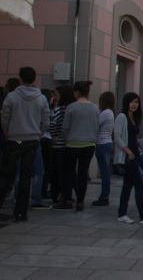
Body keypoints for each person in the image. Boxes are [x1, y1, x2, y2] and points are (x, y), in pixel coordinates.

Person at [0, 67, 50, 222]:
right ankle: (21, 212)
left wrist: (7, 132)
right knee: (26, 177)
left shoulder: (12, 96)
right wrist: (38, 133)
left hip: (14, 139)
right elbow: (46, 121)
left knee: (7, 176)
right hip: (32, 140)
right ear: (34, 79)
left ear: (20, 79)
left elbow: (5, 117)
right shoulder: (41, 98)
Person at [114, 92, 143, 224]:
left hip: (135, 155)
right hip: (128, 156)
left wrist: (137, 148)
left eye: (136, 102)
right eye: (132, 102)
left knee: (127, 185)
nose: (134, 105)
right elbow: (117, 137)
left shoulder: (133, 117)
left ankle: (122, 213)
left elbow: (132, 137)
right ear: (126, 102)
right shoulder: (122, 116)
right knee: (139, 183)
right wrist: (128, 151)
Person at [57, 81, 98, 212]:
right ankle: (80, 201)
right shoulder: (94, 108)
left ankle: (68, 199)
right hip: (89, 144)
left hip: (72, 144)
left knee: (69, 172)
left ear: (77, 92)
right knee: (82, 173)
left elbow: (65, 128)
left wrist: (64, 138)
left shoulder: (71, 107)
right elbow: (97, 126)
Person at [48, 85, 74, 205]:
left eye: (56, 94)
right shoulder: (66, 108)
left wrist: (53, 135)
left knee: (59, 172)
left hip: (59, 144)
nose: (54, 97)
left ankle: (59, 195)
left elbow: (54, 123)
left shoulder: (61, 109)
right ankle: (62, 195)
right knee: (63, 172)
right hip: (64, 144)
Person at [92, 91, 115, 207]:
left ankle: (104, 196)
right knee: (106, 172)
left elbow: (95, 125)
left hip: (102, 143)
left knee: (104, 172)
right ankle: (105, 195)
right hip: (108, 142)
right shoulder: (111, 112)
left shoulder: (105, 113)